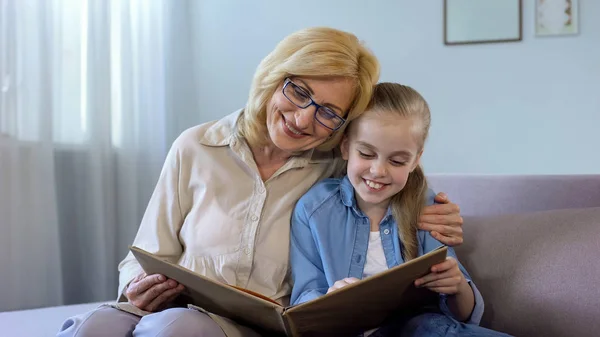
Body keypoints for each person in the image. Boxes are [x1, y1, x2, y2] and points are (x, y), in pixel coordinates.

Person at [58, 28, 464, 337]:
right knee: (97, 327)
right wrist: (136, 286)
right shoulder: (196, 146)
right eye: (299, 91)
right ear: (273, 77)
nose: (304, 118)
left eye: (327, 112)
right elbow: (145, 251)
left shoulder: (334, 168)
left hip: (243, 327)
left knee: (175, 330)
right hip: (167, 307)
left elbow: (387, 172)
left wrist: (434, 210)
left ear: (342, 129)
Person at [290, 83, 511, 336]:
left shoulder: (426, 207)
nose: (378, 171)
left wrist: (458, 286)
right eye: (366, 153)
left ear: (415, 160)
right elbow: (304, 300)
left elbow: (463, 316)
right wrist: (331, 299)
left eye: (397, 161)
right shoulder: (314, 210)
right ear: (345, 146)